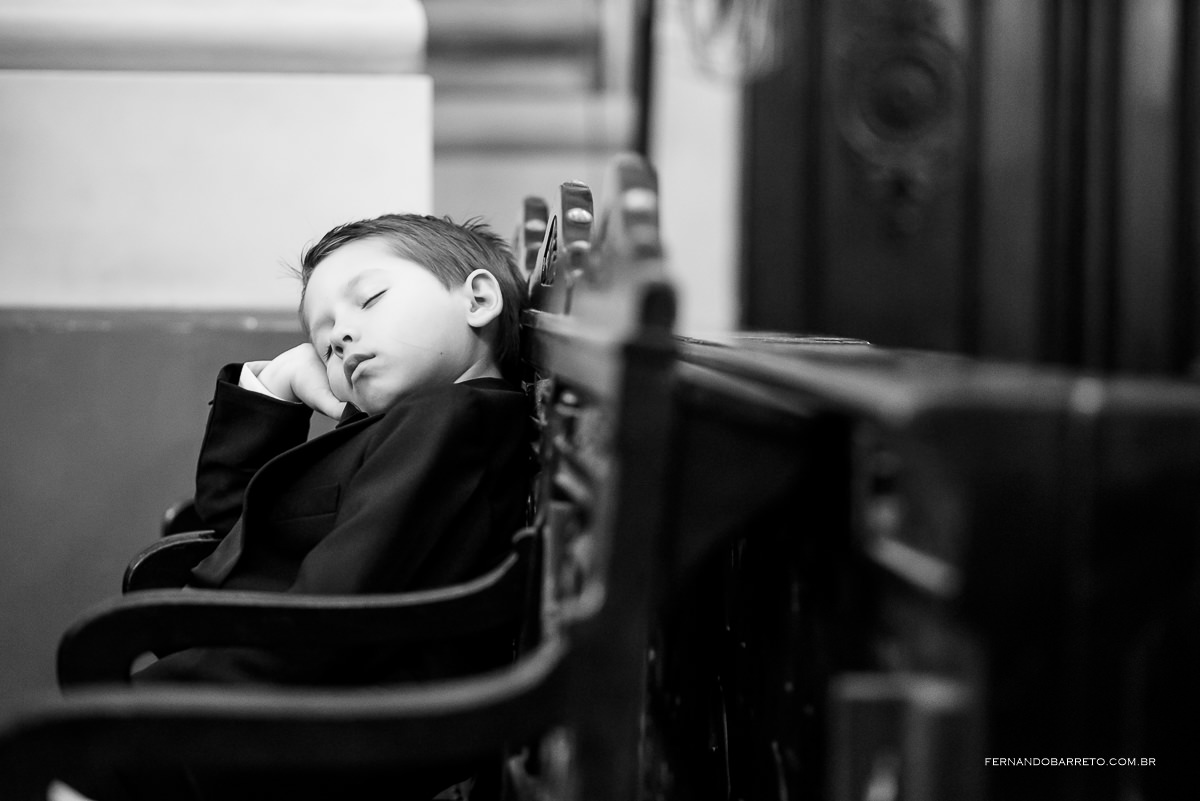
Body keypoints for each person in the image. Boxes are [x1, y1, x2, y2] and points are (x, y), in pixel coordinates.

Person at [79, 214, 535, 800]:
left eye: (369, 299)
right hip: (317, 690)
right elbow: (235, 527)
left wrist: (196, 696)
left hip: (347, 713)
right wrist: (275, 387)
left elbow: (343, 596)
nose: (340, 337)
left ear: (476, 298)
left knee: (80, 746)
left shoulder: (449, 421)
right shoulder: (411, 421)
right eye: (324, 338)